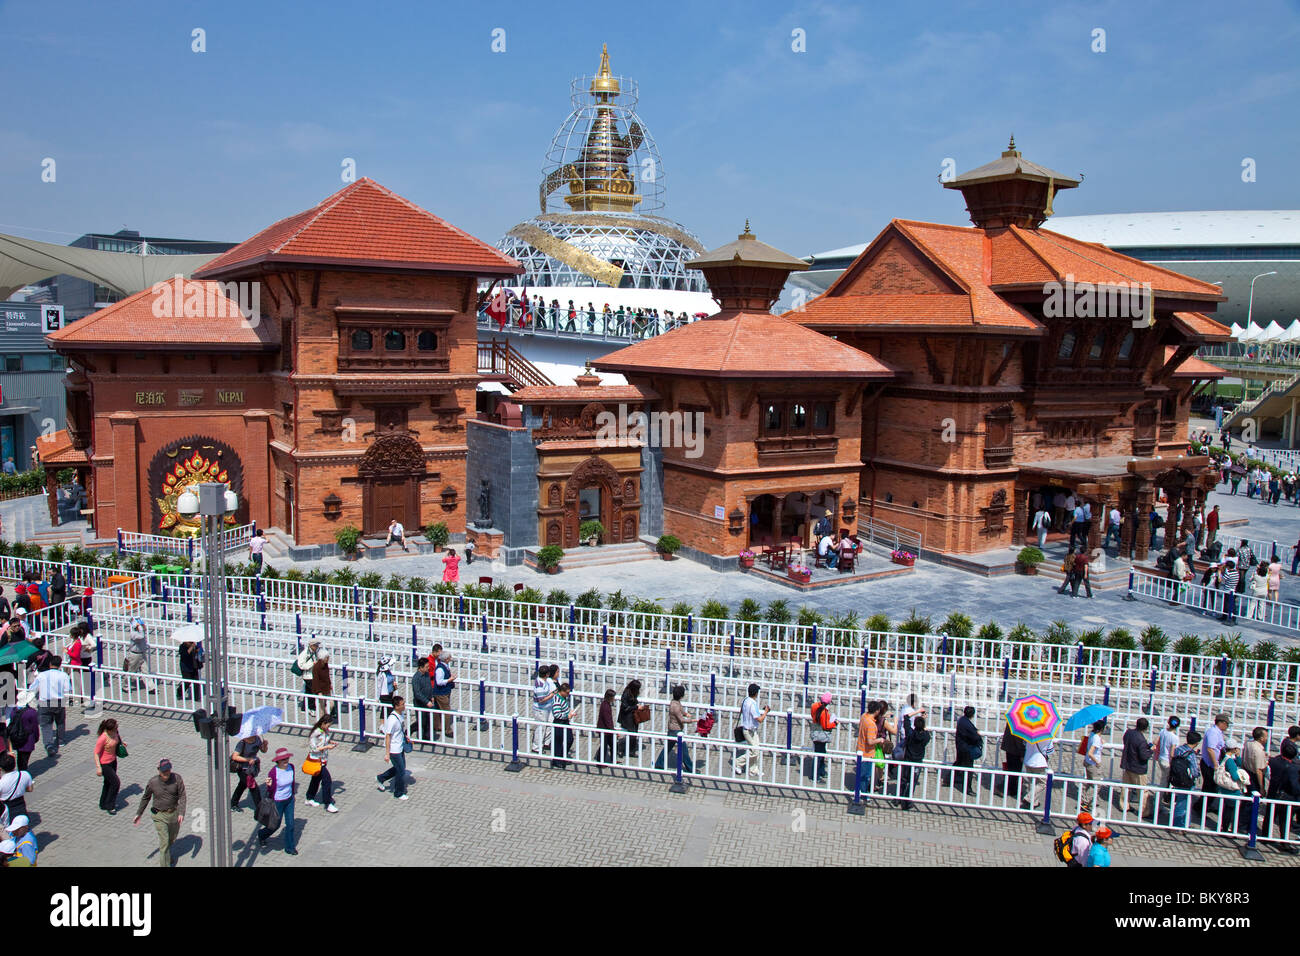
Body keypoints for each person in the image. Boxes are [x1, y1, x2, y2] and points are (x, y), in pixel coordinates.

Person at [134, 759, 186, 868]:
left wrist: (181, 812)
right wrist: (139, 813)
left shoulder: (177, 778)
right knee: (164, 842)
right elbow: (145, 798)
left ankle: (167, 856)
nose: (166, 773)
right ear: (159, 771)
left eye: (168, 770)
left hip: (174, 814)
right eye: (164, 771)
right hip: (159, 815)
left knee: (171, 839)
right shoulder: (153, 782)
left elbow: (182, 796)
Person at [257, 748, 298, 854]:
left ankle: (290, 847)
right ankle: (262, 834)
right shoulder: (273, 772)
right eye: (283, 759)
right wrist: (269, 786)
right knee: (275, 825)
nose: (286, 761)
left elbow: (292, 783)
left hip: (289, 800)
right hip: (277, 801)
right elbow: (271, 790)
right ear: (278, 761)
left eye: (287, 758)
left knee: (290, 824)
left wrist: (293, 795)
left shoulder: (291, 767)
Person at [33, 655, 73, 757]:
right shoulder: (64, 675)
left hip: (45, 702)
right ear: (60, 665)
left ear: (50, 664)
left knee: (46, 724)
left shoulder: (42, 675)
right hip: (58, 701)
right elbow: (67, 689)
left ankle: (48, 744)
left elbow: (33, 687)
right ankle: (60, 740)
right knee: (60, 722)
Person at [1266, 740, 1300, 852]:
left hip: (1273, 792)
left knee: (1270, 815)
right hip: (1286, 797)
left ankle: (1265, 836)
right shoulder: (1293, 768)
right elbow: (1294, 787)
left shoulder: (1274, 761)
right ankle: (1284, 843)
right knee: (1285, 820)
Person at [376, 695, 409, 800]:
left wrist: (406, 737)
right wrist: (387, 753)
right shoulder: (392, 720)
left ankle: (381, 778)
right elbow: (387, 736)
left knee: (400, 768)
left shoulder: (401, 714)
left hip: (400, 746)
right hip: (394, 749)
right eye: (402, 704)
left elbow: (400, 730)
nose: (404, 705)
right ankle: (398, 793)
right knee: (401, 771)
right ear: (396, 706)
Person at [657, 684, 696, 774]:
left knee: (668, 747)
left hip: (672, 729)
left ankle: (659, 764)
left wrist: (686, 713)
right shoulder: (675, 706)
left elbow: (681, 710)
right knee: (684, 751)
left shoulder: (674, 702)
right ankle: (690, 768)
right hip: (676, 730)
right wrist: (692, 720)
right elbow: (681, 719)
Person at [732, 683, 770, 777]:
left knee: (756, 748)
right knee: (755, 750)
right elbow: (760, 719)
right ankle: (738, 762)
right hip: (749, 731)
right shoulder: (752, 704)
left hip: (750, 729)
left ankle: (753, 770)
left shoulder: (746, 700)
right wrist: (766, 712)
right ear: (756, 693)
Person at [304, 715, 339, 813]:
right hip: (317, 760)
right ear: (323, 723)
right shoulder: (316, 733)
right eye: (328, 725)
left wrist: (331, 742)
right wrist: (327, 747)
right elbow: (313, 749)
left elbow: (325, 741)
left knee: (316, 779)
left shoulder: (325, 731)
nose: (329, 727)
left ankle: (309, 798)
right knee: (327, 780)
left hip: (323, 759)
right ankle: (328, 803)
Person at [1120, 718, 1153, 818]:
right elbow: (1143, 756)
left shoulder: (1129, 732)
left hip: (1127, 764)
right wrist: (1151, 750)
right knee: (1142, 791)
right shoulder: (1141, 740)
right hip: (1138, 768)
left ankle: (1124, 806)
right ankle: (1144, 811)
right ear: (1146, 728)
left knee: (1125, 787)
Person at [898, 715, 932, 810]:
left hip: (908, 759)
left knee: (904, 779)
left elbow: (906, 722)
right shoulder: (926, 736)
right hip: (917, 761)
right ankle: (908, 801)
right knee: (912, 781)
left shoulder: (910, 734)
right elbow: (927, 736)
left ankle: (900, 797)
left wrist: (909, 716)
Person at [1171, 730, 1202, 828]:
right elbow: (1194, 771)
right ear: (1197, 743)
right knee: (1183, 803)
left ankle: (1182, 823)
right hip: (1187, 781)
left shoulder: (1179, 749)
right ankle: (1179, 825)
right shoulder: (1191, 754)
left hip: (1176, 779)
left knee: (1180, 802)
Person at [230, 734, 267, 813]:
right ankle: (260, 809)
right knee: (254, 788)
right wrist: (248, 759)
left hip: (251, 768)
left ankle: (233, 804)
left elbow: (263, 750)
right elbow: (234, 756)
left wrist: (265, 745)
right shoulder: (242, 743)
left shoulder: (257, 739)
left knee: (242, 785)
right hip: (242, 769)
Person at [92, 718, 123, 814]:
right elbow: (96, 753)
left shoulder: (115, 732)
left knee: (108, 783)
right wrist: (98, 767)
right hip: (105, 764)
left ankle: (103, 803)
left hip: (113, 761)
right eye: (115, 728)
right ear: (109, 729)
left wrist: (122, 743)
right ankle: (110, 805)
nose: (116, 729)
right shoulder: (103, 738)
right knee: (116, 783)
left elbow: (118, 738)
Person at [953, 705, 983, 794]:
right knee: (968, 769)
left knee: (958, 763)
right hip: (967, 749)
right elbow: (975, 737)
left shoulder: (962, 720)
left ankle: (950, 779)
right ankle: (967, 789)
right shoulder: (967, 724)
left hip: (960, 746)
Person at [123, 616, 156, 694]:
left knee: (145, 671)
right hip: (135, 655)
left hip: (142, 654)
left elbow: (144, 630)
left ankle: (151, 687)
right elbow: (141, 636)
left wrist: (141, 625)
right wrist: (138, 626)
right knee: (131, 671)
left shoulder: (141, 631)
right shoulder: (134, 634)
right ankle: (125, 686)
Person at [7, 690, 39, 771]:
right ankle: (23, 775)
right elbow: (35, 728)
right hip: (27, 740)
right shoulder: (31, 713)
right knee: (24, 759)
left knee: (20, 757)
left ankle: (21, 771)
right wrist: (36, 738)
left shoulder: (14, 711)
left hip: (16, 738)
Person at [1021, 737, 1055, 812]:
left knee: (1031, 781)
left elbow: (1024, 744)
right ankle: (1028, 798)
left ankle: (1034, 802)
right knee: (1043, 783)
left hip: (1028, 760)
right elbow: (1050, 751)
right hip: (1039, 763)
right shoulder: (1047, 737)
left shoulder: (1028, 734)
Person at [809, 692, 837, 782]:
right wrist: (834, 723)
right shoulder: (824, 712)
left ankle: (821, 771)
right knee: (819, 755)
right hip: (821, 734)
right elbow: (826, 726)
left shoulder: (814, 706)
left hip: (815, 731)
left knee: (821, 752)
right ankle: (815, 776)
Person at [1201, 713, 1229, 798]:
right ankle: (1200, 808)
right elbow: (1210, 749)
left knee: (1211, 788)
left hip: (1212, 764)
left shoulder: (1217, 732)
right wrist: (1215, 765)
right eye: (1227, 724)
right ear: (1222, 723)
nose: (1227, 727)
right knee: (1209, 788)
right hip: (1210, 765)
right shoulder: (1213, 732)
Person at [431, 648, 456, 739]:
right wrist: (450, 680)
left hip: (444, 691)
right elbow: (439, 681)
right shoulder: (440, 669)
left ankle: (437, 725)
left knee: (437, 709)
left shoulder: (444, 666)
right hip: (441, 693)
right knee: (446, 711)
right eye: (449, 657)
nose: (451, 658)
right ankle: (447, 730)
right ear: (446, 659)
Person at [531, 665, 556, 755]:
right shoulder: (540, 685)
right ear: (547, 674)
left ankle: (545, 742)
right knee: (540, 728)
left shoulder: (543, 681)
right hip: (540, 709)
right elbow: (541, 700)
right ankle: (536, 747)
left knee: (549, 723)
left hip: (547, 708)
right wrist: (552, 694)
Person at [0, 752, 34, 819]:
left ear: (1, 768)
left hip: (6, 806)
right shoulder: (25, 774)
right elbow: (30, 789)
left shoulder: (2, 782)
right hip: (20, 803)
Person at [999, 721, 1026, 800]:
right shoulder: (1019, 724)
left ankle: (1011, 788)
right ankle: (1010, 789)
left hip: (1010, 748)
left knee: (1012, 769)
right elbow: (1019, 740)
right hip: (1015, 750)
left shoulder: (1013, 720)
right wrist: (1022, 753)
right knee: (1015, 770)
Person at [617, 679, 644, 758]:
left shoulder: (632, 693)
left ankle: (631, 751)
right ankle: (621, 749)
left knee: (634, 733)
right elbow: (625, 708)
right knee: (630, 733)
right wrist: (636, 706)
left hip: (633, 715)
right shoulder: (626, 694)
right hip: (627, 717)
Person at [410, 656, 434, 743]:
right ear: (420, 667)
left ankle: (426, 737)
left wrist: (431, 696)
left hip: (428, 701)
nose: (428, 668)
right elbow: (417, 693)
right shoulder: (416, 678)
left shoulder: (426, 674)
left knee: (427, 720)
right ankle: (409, 731)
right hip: (420, 703)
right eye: (426, 667)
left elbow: (429, 686)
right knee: (421, 721)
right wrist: (426, 701)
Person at [551, 682, 574, 769]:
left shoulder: (563, 698)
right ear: (562, 691)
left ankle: (562, 757)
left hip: (565, 722)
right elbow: (557, 714)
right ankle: (556, 761)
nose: (568, 695)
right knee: (558, 742)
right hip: (559, 722)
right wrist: (567, 715)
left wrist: (568, 713)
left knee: (569, 739)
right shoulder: (557, 699)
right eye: (567, 693)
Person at [311, 652, 334, 722]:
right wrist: (318, 692)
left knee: (331, 704)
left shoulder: (326, 665)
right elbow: (316, 680)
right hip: (320, 689)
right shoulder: (316, 667)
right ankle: (321, 721)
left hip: (326, 687)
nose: (328, 659)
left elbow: (327, 676)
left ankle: (325, 716)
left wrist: (330, 684)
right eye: (327, 657)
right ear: (323, 658)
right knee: (321, 706)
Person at [596, 688, 617, 765]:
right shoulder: (606, 707)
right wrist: (613, 730)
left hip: (606, 729)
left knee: (612, 745)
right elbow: (607, 720)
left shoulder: (605, 704)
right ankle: (600, 762)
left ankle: (613, 760)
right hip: (604, 730)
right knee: (604, 746)